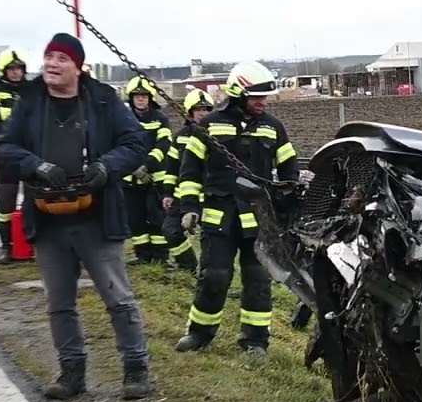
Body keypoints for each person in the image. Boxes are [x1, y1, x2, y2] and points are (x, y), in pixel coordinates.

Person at [0, 32, 152, 401]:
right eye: (48, 57)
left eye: (61, 59)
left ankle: (135, 369)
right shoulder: (30, 101)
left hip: (97, 218)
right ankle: (71, 372)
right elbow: (5, 148)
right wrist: (35, 165)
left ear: (78, 68)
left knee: (119, 298)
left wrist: (106, 168)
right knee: (59, 303)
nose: (51, 64)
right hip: (48, 218)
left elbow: (135, 143)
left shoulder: (103, 100)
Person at [173, 60, 299, 356]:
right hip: (219, 218)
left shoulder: (273, 127)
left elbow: (289, 167)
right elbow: (189, 171)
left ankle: (255, 341)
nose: (263, 103)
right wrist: (189, 207)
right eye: (257, 97)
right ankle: (199, 334)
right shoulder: (208, 125)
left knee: (257, 280)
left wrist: (288, 200)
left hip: (259, 220)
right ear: (239, 93)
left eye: (265, 97)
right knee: (214, 276)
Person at [157, 88, 214, 271]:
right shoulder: (180, 137)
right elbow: (172, 167)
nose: (202, 113)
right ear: (189, 112)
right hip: (182, 196)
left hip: (209, 197)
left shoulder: (217, 136)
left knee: (212, 241)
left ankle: (209, 272)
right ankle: (187, 265)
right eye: (198, 110)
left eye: (206, 109)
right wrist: (168, 193)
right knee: (170, 231)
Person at [121, 77, 173, 264]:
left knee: (157, 217)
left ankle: (161, 257)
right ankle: (142, 255)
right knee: (136, 218)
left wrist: (147, 166)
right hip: (130, 178)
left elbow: (164, 144)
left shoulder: (160, 119)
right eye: (137, 96)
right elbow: (119, 144)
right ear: (131, 98)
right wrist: (133, 167)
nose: (141, 99)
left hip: (155, 178)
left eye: (144, 96)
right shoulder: (123, 118)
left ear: (150, 98)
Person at [0, 48, 31, 262]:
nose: (16, 73)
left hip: (30, 155)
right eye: (11, 69)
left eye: (19, 69)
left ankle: (30, 244)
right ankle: (7, 246)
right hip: (6, 158)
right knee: (5, 204)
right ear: (4, 72)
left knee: (32, 201)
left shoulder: (32, 93)